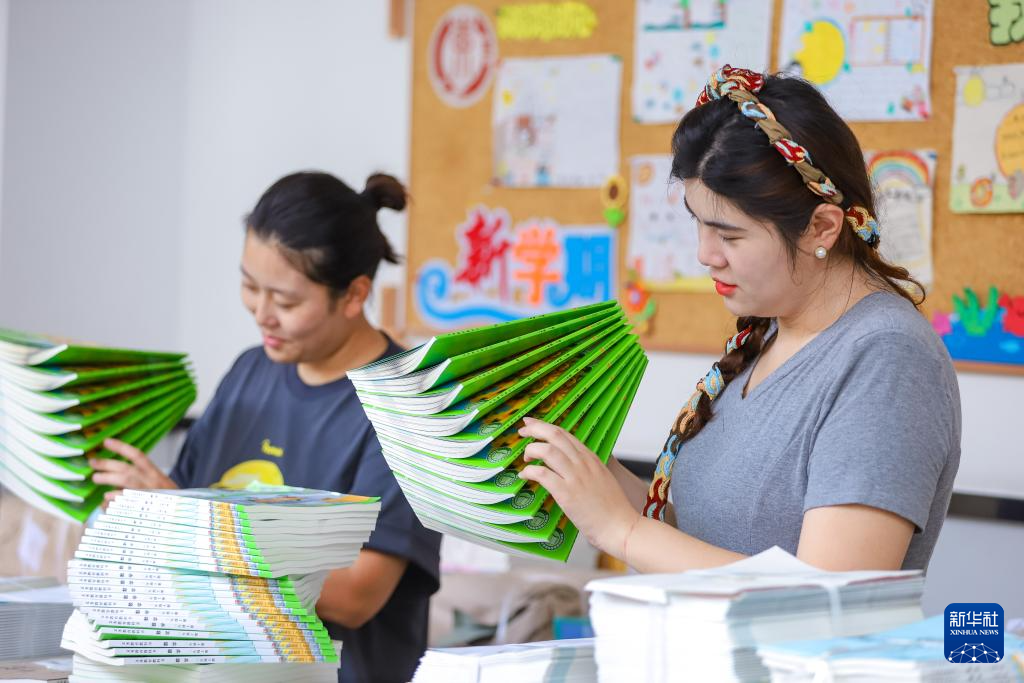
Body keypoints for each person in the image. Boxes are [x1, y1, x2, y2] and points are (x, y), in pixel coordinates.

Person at [519, 66, 961, 574]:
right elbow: (704, 546)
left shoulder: (889, 358)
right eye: (699, 224)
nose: (705, 255)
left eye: (729, 235)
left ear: (821, 227)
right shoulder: (771, 331)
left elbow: (829, 594)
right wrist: (589, 470)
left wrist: (621, 530)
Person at [91, 171, 442, 683]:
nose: (261, 313)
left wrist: (185, 525)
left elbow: (354, 596)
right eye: (249, 286)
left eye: (286, 301)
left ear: (353, 295)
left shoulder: (406, 407)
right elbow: (178, 504)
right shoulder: (249, 372)